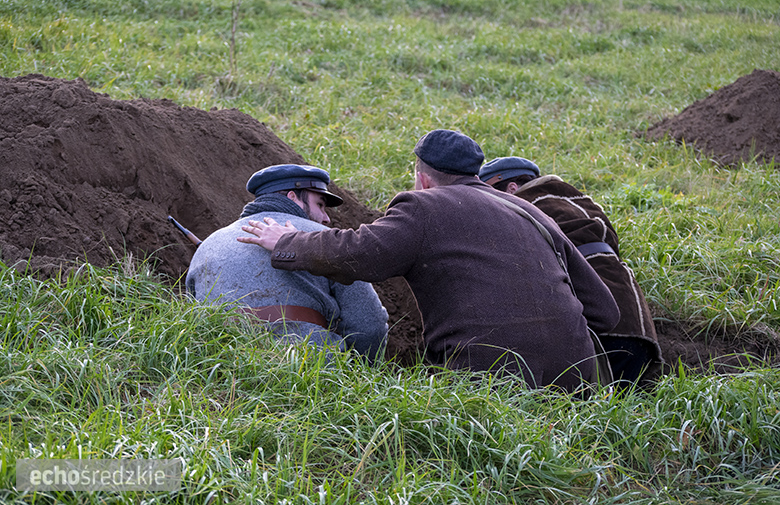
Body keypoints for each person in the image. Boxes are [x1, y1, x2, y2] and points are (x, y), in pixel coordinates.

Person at [238, 130, 620, 391]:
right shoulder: (532, 213)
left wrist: (285, 241)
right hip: (578, 381)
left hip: (488, 383)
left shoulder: (423, 206)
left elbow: (358, 253)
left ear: (422, 179)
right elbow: (606, 312)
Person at [478, 156, 664, 386]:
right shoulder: (583, 203)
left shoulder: (521, 207)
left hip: (597, 331)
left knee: (581, 413)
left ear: (512, 187)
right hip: (639, 325)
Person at [186, 164, 388, 362]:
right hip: (310, 371)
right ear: (293, 197)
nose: (326, 218)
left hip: (220, 370)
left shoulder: (209, 245)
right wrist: (359, 372)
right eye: (320, 204)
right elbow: (370, 325)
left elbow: (191, 322)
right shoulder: (325, 240)